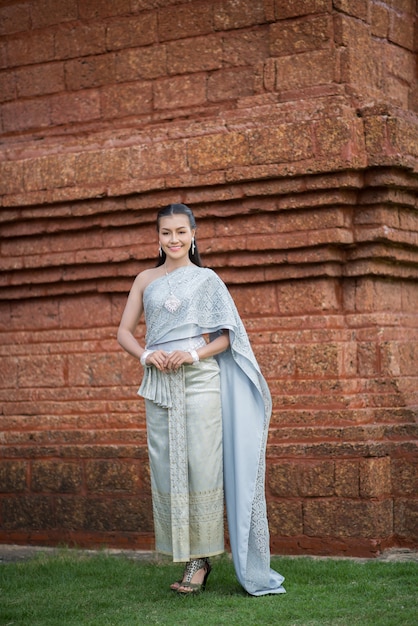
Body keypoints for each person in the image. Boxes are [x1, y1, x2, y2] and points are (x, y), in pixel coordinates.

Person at [117, 203, 285, 596]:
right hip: (159, 382)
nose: (173, 240)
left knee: (203, 465)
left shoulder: (208, 280)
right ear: (156, 237)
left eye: (180, 232)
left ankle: (201, 560)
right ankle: (188, 554)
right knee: (168, 466)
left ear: (194, 234)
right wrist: (146, 354)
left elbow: (229, 336)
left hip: (200, 380)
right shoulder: (145, 279)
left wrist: (192, 354)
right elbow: (124, 331)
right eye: (165, 233)